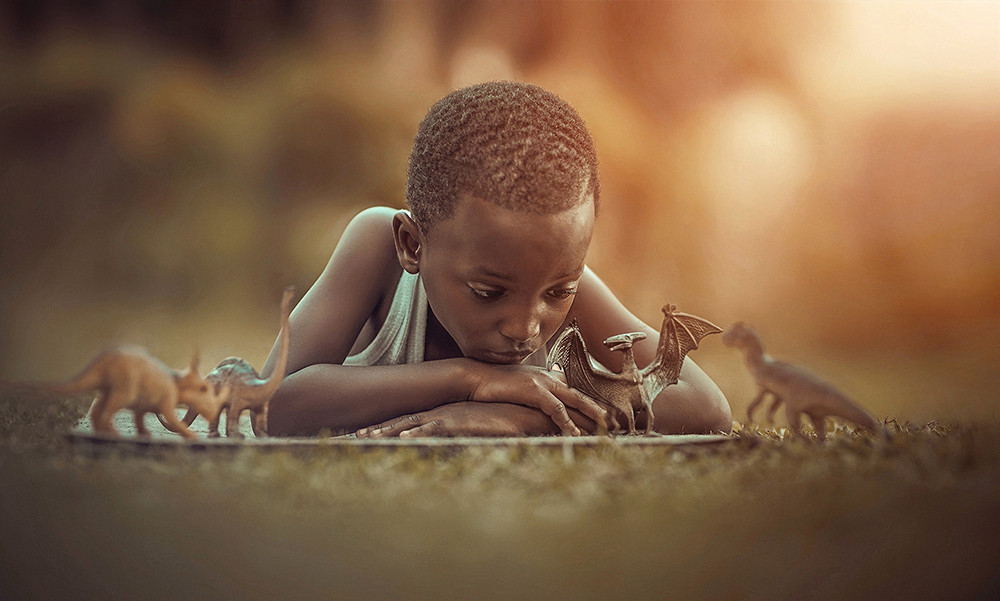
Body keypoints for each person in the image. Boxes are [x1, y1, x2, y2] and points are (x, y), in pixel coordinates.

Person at [261, 81, 731, 438]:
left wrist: (517, 416)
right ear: (412, 244)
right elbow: (270, 403)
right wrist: (469, 380)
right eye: (489, 292)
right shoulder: (377, 248)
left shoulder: (562, 279)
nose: (525, 328)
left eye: (557, 292)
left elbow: (705, 407)